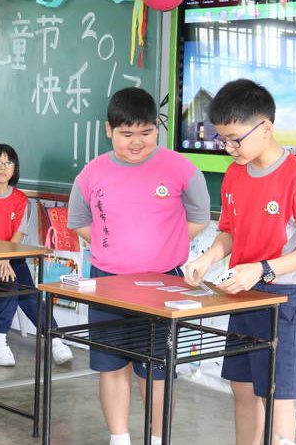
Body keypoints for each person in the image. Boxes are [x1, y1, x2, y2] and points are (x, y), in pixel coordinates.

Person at [184, 79, 296, 445]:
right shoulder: (235, 174)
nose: (229, 148)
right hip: (243, 293)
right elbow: (229, 232)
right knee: (243, 387)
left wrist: (263, 269)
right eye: (222, 140)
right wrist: (208, 257)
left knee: (277, 393)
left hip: (285, 300)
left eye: (235, 139)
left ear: (266, 128)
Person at [67, 87, 210, 445]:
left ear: (157, 129)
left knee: (157, 370)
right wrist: (113, 247)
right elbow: (80, 221)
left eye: (146, 133)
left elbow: (199, 217)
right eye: (126, 133)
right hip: (108, 284)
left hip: (163, 285)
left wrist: (166, 244)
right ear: (108, 130)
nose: (136, 142)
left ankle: (157, 439)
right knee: (112, 366)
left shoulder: (181, 168)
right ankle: (119, 438)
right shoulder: (91, 173)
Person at [0, 144, 73, 367]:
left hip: (13, 255)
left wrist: (6, 258)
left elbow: (18, 234)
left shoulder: (21, 199)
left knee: (29, 293)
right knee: (11, 286)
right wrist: (1, 257)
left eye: (8, 163)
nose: (3, 167)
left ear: (15, 168)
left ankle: (55, 339)